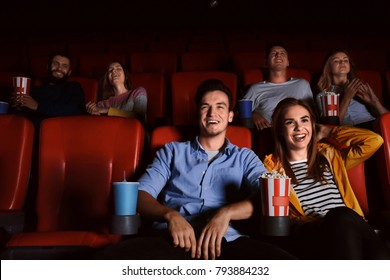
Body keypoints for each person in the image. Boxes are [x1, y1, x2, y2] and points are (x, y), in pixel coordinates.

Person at [95, 79, 296, 260]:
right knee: (105, 262)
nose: (212, 113)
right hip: (172, 239)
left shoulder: (245, 157)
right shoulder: (172, 151)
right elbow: (141, 195)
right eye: (205, 107)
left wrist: (226, 214)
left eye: (220, 107)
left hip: (227, 240)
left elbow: (267, 196)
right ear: (197, 113)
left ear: (231, 115)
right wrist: (170, 215)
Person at [263, 97, 389, 259]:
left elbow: (374, 141)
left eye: (304, 120)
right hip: (316, 233)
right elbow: (283, 218)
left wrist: (328, 131)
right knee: (345, 221)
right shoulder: (272, 169)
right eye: (290, 122)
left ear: (312, 124)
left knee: (378, 251)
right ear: (280, 129)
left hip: (352, 225)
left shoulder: (330, 156)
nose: (299, 127)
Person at [243, 42, 314, 131]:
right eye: (273, 53)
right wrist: (252, 114)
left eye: (282, 53)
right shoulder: (255, 88)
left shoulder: (302, 84)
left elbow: (312, 112)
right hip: (269, 132)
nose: (278, 55)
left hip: (298, 130)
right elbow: (242, 112)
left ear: (288, 62)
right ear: (266, 62)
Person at [10, 52, 86, 128]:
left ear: (69, 72)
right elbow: (23, 118)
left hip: (61, 131)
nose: (59, 69)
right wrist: (17, 107)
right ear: (48, 67)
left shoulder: (73, 87)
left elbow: (76, 109)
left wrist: (38, 106)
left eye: (64, 66)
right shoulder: (34, 90)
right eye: (55, 64)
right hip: (32, 132)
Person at [317, 49, 388, 129]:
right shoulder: (324, 95)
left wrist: (374, 102)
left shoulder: (359, 87)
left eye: (345, 60)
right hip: (349, 131)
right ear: (328, 67)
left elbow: (387, 120)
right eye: (336, 61)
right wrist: (347, 97)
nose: (342, 62)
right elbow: (332, 127)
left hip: (372, 126)